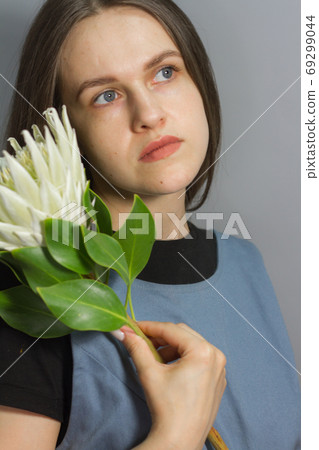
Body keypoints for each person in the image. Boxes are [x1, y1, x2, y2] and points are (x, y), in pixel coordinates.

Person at [0, 1, 300, 449]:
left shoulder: (245, 262)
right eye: (105, 95)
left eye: (164, 72)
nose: (149, 114)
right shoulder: (31, 297)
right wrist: (175, 436)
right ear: (64, 129)